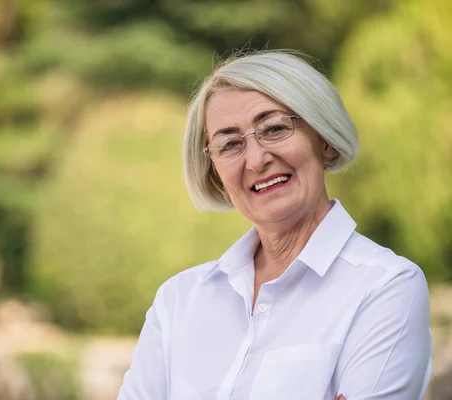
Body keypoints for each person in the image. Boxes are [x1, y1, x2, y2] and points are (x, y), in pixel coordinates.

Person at [117, 50, 432, 400]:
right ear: (216, 173)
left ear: (324, 138)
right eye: (230, 144)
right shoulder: (177, 301)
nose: (256, 159)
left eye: (275, 128)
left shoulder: (386, 287)